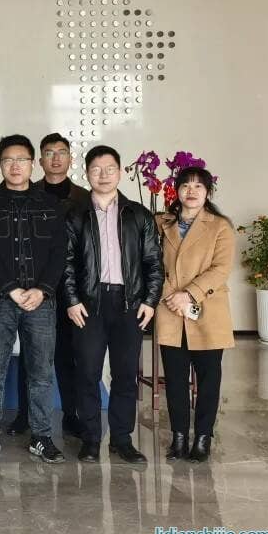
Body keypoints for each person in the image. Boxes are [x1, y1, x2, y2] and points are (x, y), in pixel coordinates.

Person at [63, 145, 163, 464]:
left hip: (129, 303)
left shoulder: (139, 215)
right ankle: (91, 438)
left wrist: (150, 301)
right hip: (88, 304)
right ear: (87, 173)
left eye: (110, 169)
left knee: (124, 374)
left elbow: (153, 262)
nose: (103, 175)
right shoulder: (76, 215)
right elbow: (65, 263)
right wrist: (72, 300)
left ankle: (122, 439)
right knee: (87, 372)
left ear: (119, 172)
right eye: (96, 169)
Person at [0, 134, 67, 464]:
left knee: (41, 372)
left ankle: (41, 436)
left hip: (41, 302)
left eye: (22, 160)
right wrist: (12, 289)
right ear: (0, 164)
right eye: (8, 160)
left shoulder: (50, 204)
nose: (15, 166)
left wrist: (42, 290)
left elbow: (59, 253)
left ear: (33, 163)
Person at [10, 133, 93, 437]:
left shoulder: (85, 198)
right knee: (30, 355)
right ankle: (24, 415)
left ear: (71, 158)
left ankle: (71, 414)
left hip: (72, 291)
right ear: (39, 160)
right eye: (49, 153)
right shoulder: (25, 192)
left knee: (70, 355)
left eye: (62, 152)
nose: (56, 158)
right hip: (34, 288)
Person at [155, 166, 234, 463]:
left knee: (209, 379)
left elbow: (221, 269)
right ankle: (178, 437)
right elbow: (151, 264)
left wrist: (188, 294)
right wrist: (171, 295)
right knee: (175, 380)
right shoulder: (161, 224)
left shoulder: (220, 227)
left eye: (198, 186)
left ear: (208, 192)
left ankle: (202, 438)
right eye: (185, 185)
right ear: (176, 190)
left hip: (207, 311)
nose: (191, 191)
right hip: (170, 310)